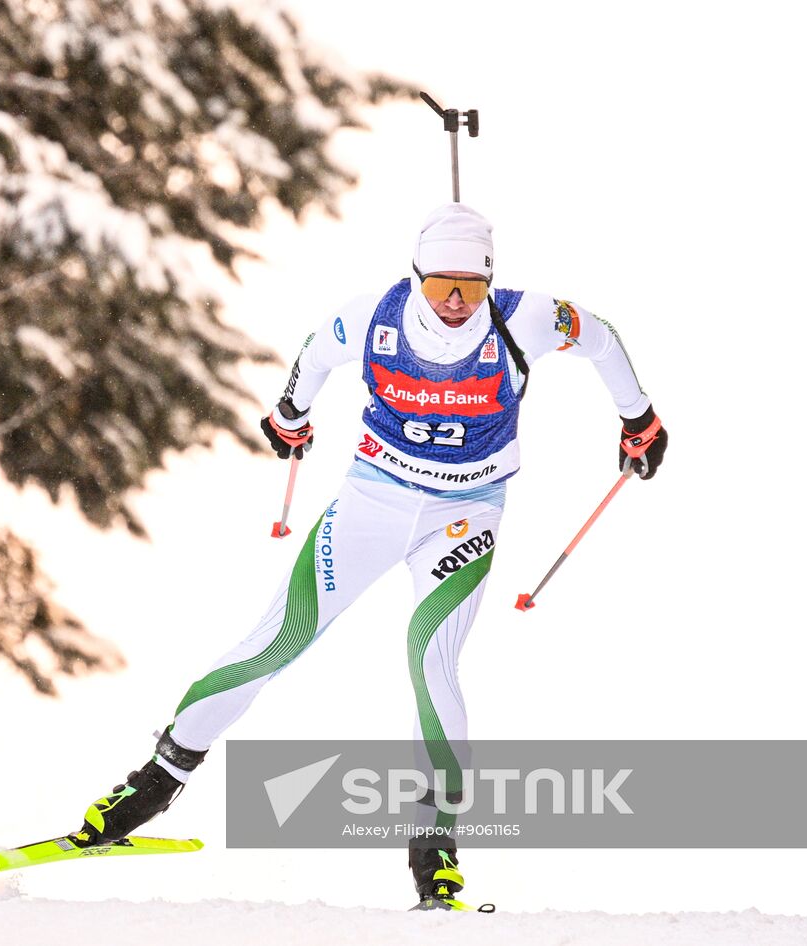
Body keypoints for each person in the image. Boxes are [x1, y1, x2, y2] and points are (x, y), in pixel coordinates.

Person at [68, 203, 668, 910]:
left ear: (489, 284)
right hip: (372, 502)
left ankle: (434, 839)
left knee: (429, 656)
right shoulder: (374, 316)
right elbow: (318, 352)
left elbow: (599, 338)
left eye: (469, 289)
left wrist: (639, 417)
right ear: (416, 276)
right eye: (440, 285)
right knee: (277, 641)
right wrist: (290, 414)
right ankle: (157, 779)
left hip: (465, 514)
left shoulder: (526, 318)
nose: (453, 303)